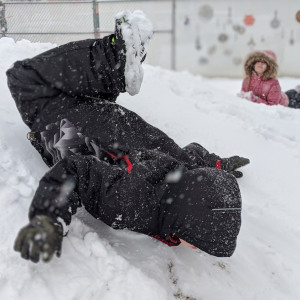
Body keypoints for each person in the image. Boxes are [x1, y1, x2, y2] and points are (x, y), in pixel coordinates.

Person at [7, 10, 249, 263]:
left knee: (69, 85)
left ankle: (116, 62)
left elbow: (191, 158)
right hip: (68, 123)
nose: (198, 249)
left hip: (99, 121)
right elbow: (74, 171)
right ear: (184, 220)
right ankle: (116, 58)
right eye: (200, 244)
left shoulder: (179, 176)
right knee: (23, 78)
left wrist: (215, 167)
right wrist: (49, 218)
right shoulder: (129, 204)